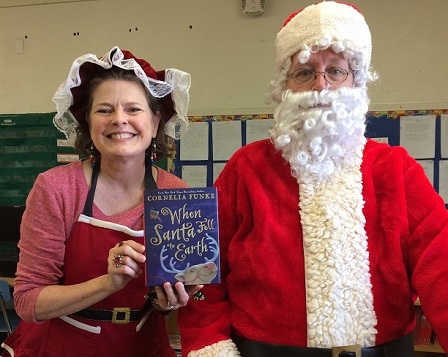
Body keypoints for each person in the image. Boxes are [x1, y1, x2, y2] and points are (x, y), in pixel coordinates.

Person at [178, 2, 448, 356]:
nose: (321, 86)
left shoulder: (396, 169)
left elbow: (440, 262)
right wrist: (209, 345)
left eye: (335, 71)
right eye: (304, 72)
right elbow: (201, 271)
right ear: (284, 86)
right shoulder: (246, 169)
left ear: (356, 81)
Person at [1, 46, 202, 357]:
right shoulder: (57, 188)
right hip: (61, 346)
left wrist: (168, 303)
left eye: (134, 109)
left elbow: (185, 298)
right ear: (88, 122)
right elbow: (27, 302)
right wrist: (108, 283)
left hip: (142, 345)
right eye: (104, 110)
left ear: (156, 119)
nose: (119, 120)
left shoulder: (175, 193)